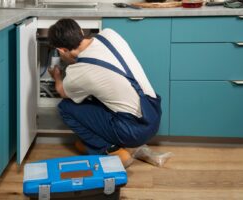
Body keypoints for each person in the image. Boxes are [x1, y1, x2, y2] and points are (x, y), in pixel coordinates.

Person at [48, 18, 162, 168]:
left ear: (62, 50)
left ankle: (109, 150)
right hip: (153, 113)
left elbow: (62, 91)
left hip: (134, 131)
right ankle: (122, 144)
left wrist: (57, 77)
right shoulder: (110, 34)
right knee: (97, 96)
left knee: (66, 107)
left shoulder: (77, 73)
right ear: (81, 31)